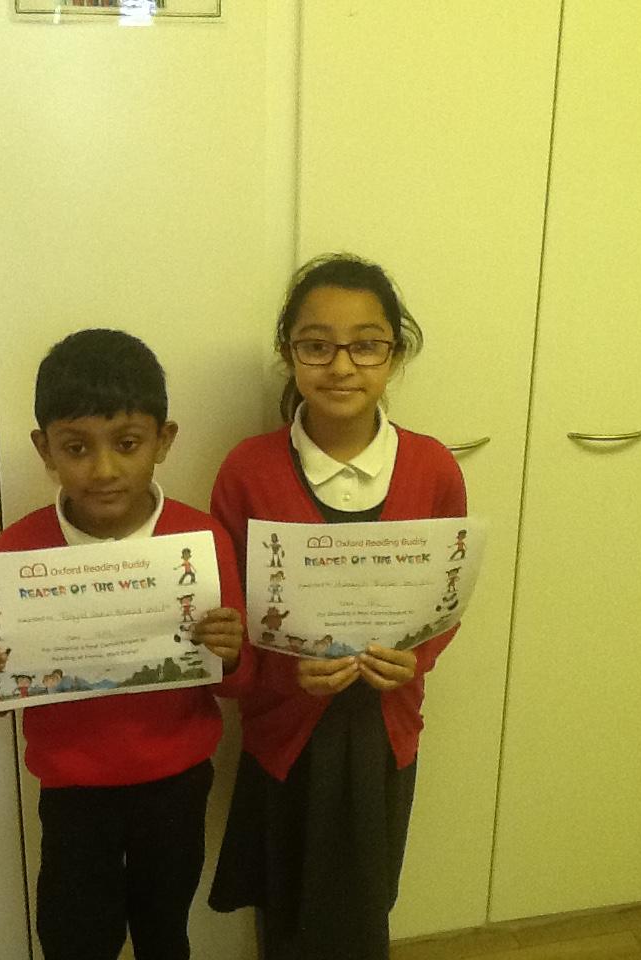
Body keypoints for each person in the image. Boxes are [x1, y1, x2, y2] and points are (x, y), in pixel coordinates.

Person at [0, 328, 253, 960]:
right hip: (73, 793)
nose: (105, 469)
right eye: (77, 447)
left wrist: (230, 651)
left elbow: (237, 679)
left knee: (164, 932)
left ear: (164, 440)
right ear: (46, 449)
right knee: (74, 938)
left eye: (128, 443)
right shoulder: (17, 553)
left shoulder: (199, 541)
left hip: (176, 784)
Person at [208, 254, 467, 960]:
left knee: (364, 902)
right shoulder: (248, 469)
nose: (342, 366)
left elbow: (445, 601)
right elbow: (230, 616)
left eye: (367, 345)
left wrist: (415, 658)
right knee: (285, 900)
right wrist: (284, 673)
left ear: (395, 353)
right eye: (317, 345)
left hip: (382, 728)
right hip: (286, 729)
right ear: (289, 352)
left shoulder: (432, 468)